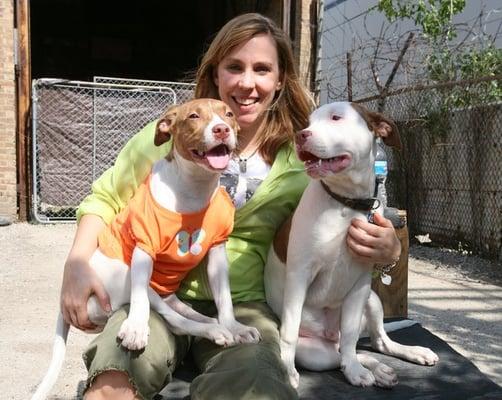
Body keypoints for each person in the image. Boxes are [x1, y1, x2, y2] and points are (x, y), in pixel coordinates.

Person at [60, 13, 401, 400]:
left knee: (256, 389)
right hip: (156, 294)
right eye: (234, 67)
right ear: (216, 74)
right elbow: (103, 198)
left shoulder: (302, 159)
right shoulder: (167, 138)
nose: (247, 82)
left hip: (242, 306)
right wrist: (76, 263)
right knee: (113, 384)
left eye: (262, 69)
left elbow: (352, 207)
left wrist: (390, 252)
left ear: (280, 81)